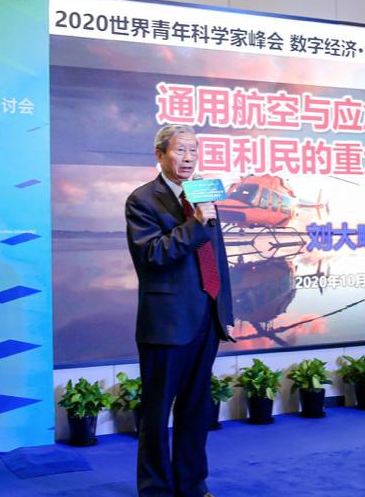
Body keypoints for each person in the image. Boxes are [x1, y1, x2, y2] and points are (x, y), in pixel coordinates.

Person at [125, 124, 234, 497]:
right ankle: (156, 489)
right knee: (157, 414)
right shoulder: (142, 200)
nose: (188, 159)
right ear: (160, 154)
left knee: (196, 408)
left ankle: (192, 485)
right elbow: (152, 255)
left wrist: (224, 309)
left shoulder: (203, 193)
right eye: (180, 150)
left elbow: (216, 257)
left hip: (205, 318)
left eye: (194, 151)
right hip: (167, 323)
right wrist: (195, 223)